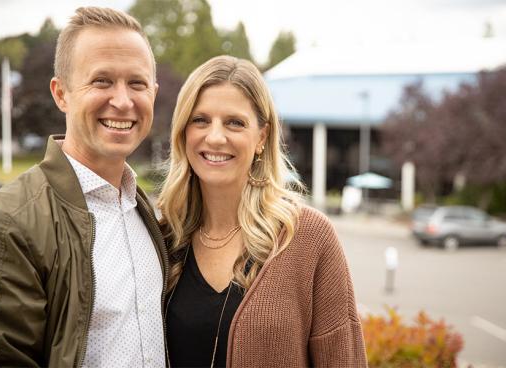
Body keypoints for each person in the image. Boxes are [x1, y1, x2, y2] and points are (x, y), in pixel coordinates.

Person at [0, 7, 168, 367]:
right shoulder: (9, 222)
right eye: (102, 81)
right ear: (61, 93)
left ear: (154, 92)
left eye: (137, 83)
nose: (122, 100)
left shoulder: (148, 212)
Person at [158, 55, 368, 367]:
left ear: (261, 137)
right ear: (183, 131)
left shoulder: (309, 238)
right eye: (200, 120)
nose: (215, 137)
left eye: (235, 122)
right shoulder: (164, 237)